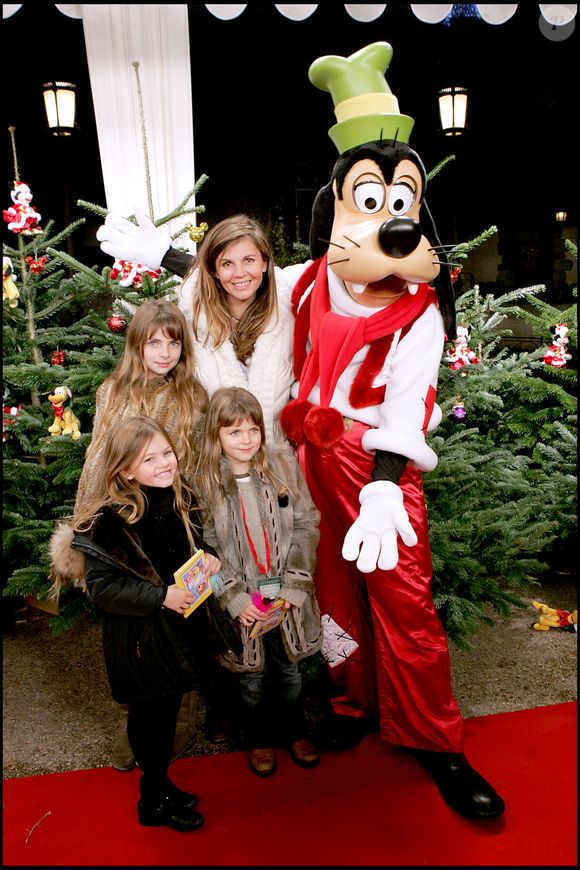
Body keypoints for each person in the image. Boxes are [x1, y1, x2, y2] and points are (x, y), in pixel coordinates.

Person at [72, 299, 230, 771]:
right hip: (127, 520)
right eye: (152, 342)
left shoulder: (192, 395)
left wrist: (200, 526)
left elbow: (200, 465)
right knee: (137, 623)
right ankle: (139, 718)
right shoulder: (112, 390)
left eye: (173, 341)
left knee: (180, 617)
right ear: (136, 345)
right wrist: (89, 527)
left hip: (174, 518)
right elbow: (99, 458)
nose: (163, 352)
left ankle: (179, 714)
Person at [49, 416, 222, 832]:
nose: (165, 463)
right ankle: (152, 800)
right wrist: (161, 595)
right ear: (126, 470)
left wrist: (209, 555)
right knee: (152, 721)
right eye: (150, 459)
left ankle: (161, 785)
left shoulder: (180, 498)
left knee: (167, 711)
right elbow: (105, 590)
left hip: (177, 630)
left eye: (167, 452)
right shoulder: (109, 524)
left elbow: (190, 547)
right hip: (142, 641)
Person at [195, 387, 322, 777]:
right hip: (244, 603)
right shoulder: (205, 483)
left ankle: (294, 728)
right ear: (216, 435)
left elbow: (306, 523)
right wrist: (232, 597)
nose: (246, 440)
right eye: (234, 433)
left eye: (253, 430)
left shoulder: (283, 465)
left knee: (290, 670)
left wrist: (294, 585)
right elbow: (204, 549)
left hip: (285, 597)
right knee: (251, 679)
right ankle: (257, 736)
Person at [98, 213, 296, 445]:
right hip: (212, 464)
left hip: (278, 461)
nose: (240, 272)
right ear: (214, 270)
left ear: (265, 263)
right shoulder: (193, 319)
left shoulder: (289, 310)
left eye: (249, 260)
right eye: (227, 264)